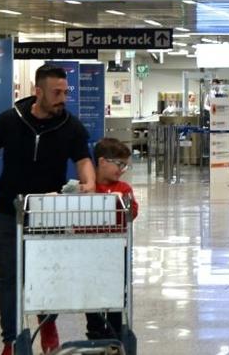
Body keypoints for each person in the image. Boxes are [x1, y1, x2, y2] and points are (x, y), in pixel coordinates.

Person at [0, 64, 95, 355]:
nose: (63, 98)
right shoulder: (9, 121)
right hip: (10, 212)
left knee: (46, 274)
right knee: (8, 278)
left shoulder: (70, 126)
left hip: (48, 212)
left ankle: (47, 323)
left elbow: (84, 161)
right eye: (56, 92)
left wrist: (89, 184)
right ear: (38, 92)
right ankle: (10, 340)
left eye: (65, 92)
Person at [85, 138, 139, 340]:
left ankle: (115, 333)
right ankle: (95, 330)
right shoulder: (86, 188)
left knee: (117, 291)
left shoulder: (124, 189)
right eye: (119, 164)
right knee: (91, 291)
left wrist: (122, 203)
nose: (122, 169)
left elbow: (132, 213)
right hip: (88, 250)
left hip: (116, 249)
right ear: (102, 162)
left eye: (125, 165)